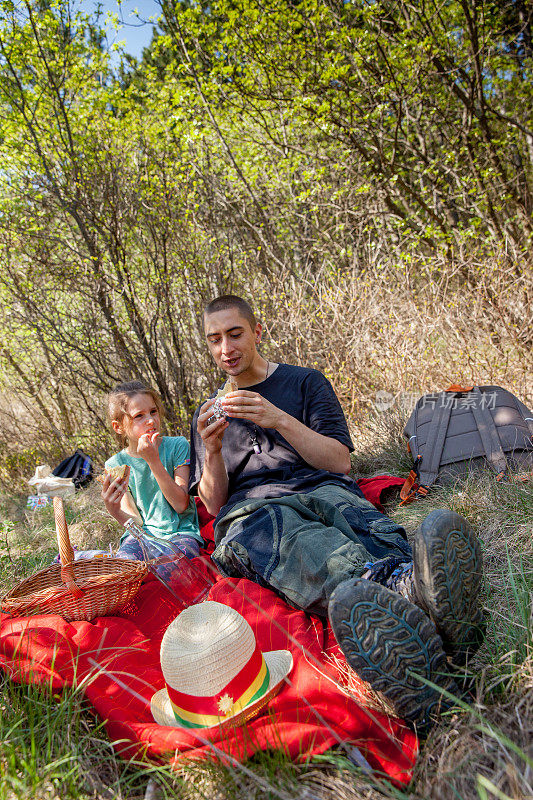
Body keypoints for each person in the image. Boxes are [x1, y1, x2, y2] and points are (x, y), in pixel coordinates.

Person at [189, 295, 484, 733]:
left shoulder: (305, 383)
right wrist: (211, 450)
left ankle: (410, 595)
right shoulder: (206, 414)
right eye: (215, 340)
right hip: (253, 512)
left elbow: (340, 463)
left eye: (235, 334)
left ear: (257, 333)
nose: (226, 348)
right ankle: (403, 599)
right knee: (295, 540)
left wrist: (279, 419)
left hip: (321, 484)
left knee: (353, 517)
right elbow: (214, 505)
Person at [100, 381, 202, 561]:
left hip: (180, 533)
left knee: (174, 568)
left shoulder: (177, 445)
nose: (151, 420)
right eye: (139, 415)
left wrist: (153, 460)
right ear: (119, 427)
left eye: (153, 411)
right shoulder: (116, 464)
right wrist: (113, 509)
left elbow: (181, 505)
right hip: (141, 538)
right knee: (126, 570)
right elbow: (136, 523)